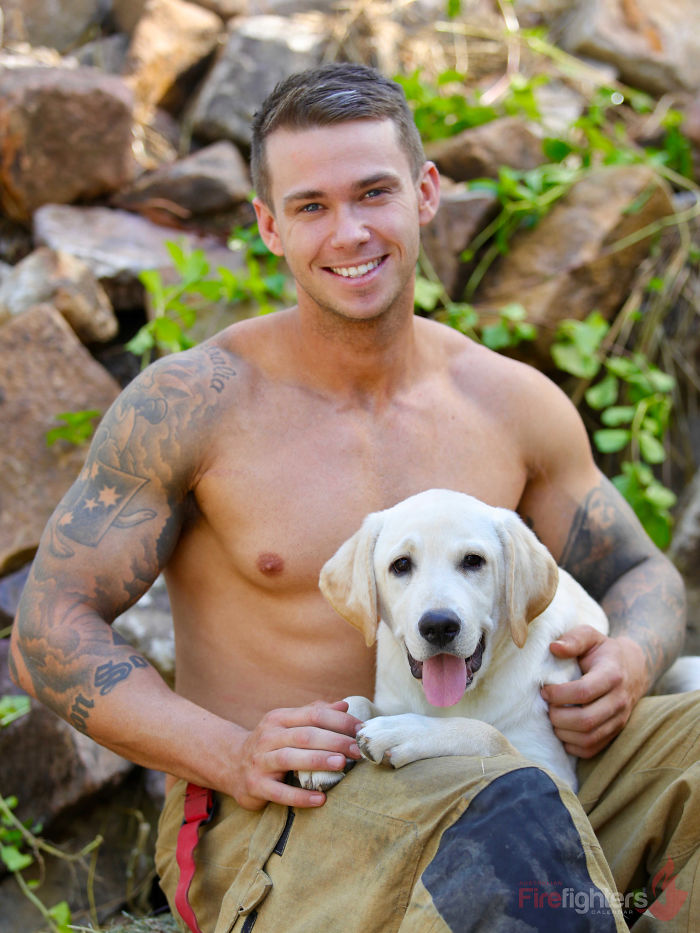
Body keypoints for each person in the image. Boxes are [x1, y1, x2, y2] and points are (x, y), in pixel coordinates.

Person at [9, 63, 698, 932]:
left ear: (425, 192)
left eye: (374, 192)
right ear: (269, 225)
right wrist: (232, 751)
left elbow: (640, 570)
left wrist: (629, 659)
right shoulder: (195, 404)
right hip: (290, 808)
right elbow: (47, 627)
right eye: (311, 206)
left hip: (528, 760)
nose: (349, 232)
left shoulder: (509, 402)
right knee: (506, 812)